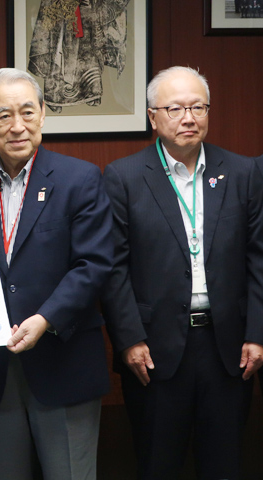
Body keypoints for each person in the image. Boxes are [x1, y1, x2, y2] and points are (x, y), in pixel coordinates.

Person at [0, 67, 114, 480]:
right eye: (3, 115)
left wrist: (44, 319)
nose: (18, 126)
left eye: (27, 112)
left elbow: (94, 264)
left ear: (44, 114)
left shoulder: (80, 178)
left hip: (62, 359)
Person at [102, 66, 263, 479]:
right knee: (158, 464)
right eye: (175, 108)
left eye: (197, 107)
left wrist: (257, 334)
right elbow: (113, 267)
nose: (188, 118)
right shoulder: (123, 177)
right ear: (153, 117)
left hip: (228, 349)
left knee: (225, 463)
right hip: (153, 352)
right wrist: (129, 339)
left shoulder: (244, 173)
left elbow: (257, 259)